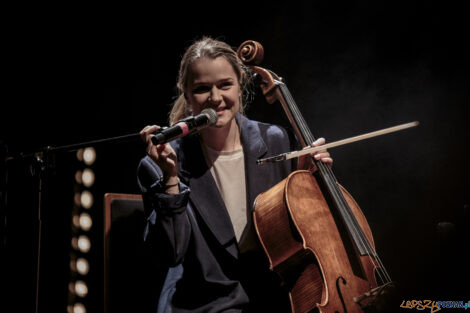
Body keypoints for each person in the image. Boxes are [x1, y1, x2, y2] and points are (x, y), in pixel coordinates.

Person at [138, 37, 332, 313]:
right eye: (203, 88)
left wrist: (314, 178)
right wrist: (170, 178)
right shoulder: (161, 162)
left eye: (225, 85)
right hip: (203, 303)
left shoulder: (274, 140)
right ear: (187, 93)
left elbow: (301, 229)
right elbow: (171, 253)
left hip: (271, 299)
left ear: (240, 86)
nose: (215, 99)